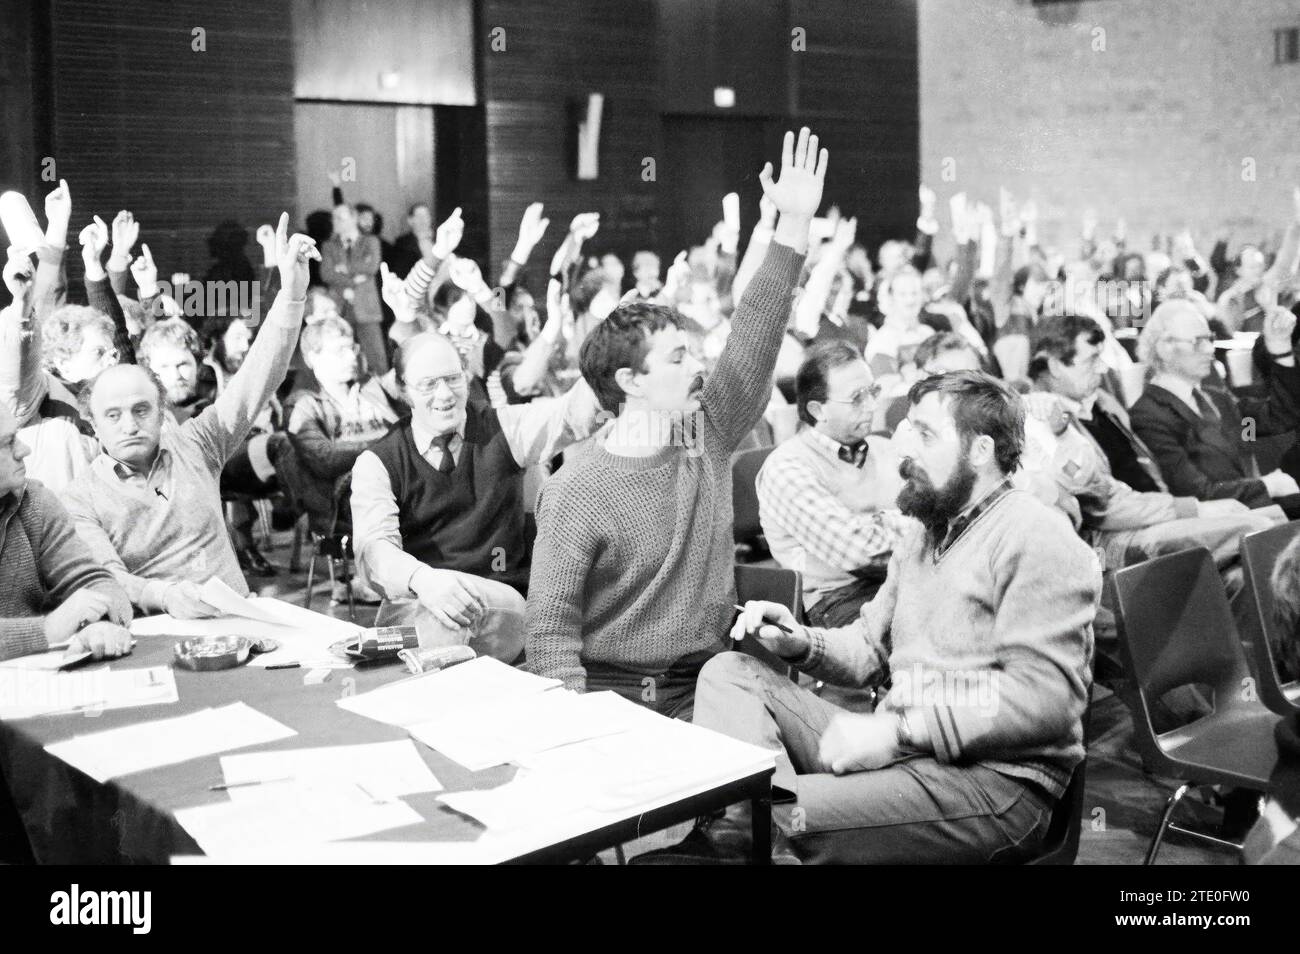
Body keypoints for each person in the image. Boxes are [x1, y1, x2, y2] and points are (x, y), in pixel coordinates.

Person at [637, 371, 1100, 864]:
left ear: (981, 450)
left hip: (994, 784)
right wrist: (800, 642)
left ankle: (745, 835)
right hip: (906, 751)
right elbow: (869, 647)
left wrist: (902, 730)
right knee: (729, 674)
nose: (905, 451)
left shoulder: (1037, 537)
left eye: (925, 434)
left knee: (772, 813)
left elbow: (1045, 697)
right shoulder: (925, 533)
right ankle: (748, 836)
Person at [525, 127, 826, 718]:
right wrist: (578, 730)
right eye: (678, 358)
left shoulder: (704, 433)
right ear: (631, 383)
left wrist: (791, 229)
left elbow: (755, 336)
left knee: (803, 780)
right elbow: (552, 635)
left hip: (713, 677)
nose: (699, 367)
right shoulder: (576, 489)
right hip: (618, 697)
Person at [61, 215, 317, 617]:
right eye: (113, 415)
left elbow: (258, 378)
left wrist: (291, 295)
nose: (130, 424)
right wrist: (167, 596)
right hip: (157, 633)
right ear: (92, 423)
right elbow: (107, 578)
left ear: (163, 410)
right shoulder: (78, 499)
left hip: (239, 620)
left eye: (142, 410)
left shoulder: (196, 443)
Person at [349, 331, 601, 662]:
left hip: (503, 608)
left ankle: (416, 677)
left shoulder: (504, 428)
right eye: (428, 384)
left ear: (466, 375)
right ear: (402, 390)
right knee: (433, 617)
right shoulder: (378, 462)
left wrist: (607, 350)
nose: (444, 394)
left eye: (453, 379)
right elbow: (374, 550)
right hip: (418, 605)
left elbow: (571, 416)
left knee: (472, 609)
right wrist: (424, 580)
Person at [1025, 314, 1283, 594]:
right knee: (1258, 528)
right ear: (1054, 366)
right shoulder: (1041, 420)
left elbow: (1150, 474)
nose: (1103, 368)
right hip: (1110, 542)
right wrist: (1196, 509)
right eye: (1091, 360)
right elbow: (1104, 504)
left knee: (1271, 539)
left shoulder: (1103, 403)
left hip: (1154, 513)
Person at [757, 341, 908, 627]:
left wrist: (880, 524)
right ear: (818, 410)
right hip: (841, 600)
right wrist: (923, 527)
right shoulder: (787, 468)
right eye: (857, 398)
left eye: (873, 392)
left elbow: (943, 513)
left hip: (908, 581)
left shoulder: (883, 447)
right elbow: (859, 552)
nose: (872, 406)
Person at [1129, 299, 1300, 517]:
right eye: (1197, 342)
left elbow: (1278, 418)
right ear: (1164, 348)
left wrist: (1281, 348)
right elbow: (1195, 493)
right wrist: (1266, 485)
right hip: (1216, 529)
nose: (1210, 349)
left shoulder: (1217, 400)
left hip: (1254, 514)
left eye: (1209, 339)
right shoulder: (1150, 416)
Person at [0, 402, 133, 662]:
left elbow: (94, 580)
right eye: (8, 442)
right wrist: (46, 629)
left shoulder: (33, 502)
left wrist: (97, 624)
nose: (24, 450)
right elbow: (52, 628)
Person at [321, 203, 386, 374]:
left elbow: (371, 267)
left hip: (366, 307)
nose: (336, 221)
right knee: (340, 356)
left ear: (354, 218)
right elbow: (326, 273)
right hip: (339, 306)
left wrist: (344, 268)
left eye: (341, 217)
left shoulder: (371, 241)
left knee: (376, 357)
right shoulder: (329, 245)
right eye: (334, 217)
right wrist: (353, 282)